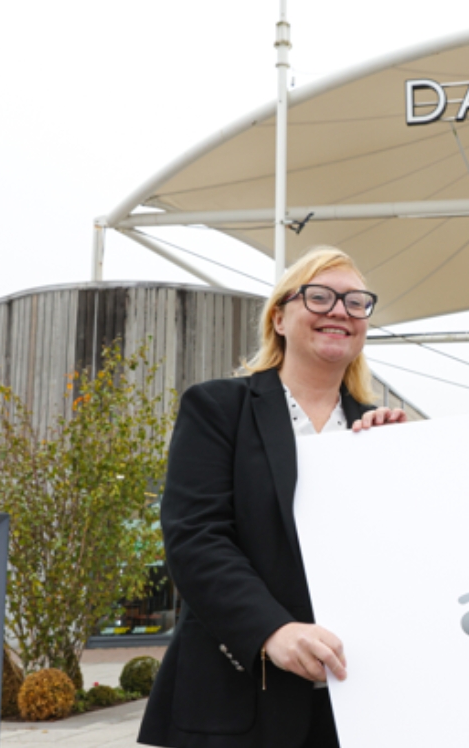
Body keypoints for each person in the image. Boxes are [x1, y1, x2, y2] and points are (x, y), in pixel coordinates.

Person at [139, 247, 406, 748]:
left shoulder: (380, 431)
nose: (339, 311)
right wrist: (271, 631)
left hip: (358, 701)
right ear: (280, 317)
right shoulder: (218, 408)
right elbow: (196, 537)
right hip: (237, 699)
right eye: (320, 296)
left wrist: (404, 463)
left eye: (355, 302)